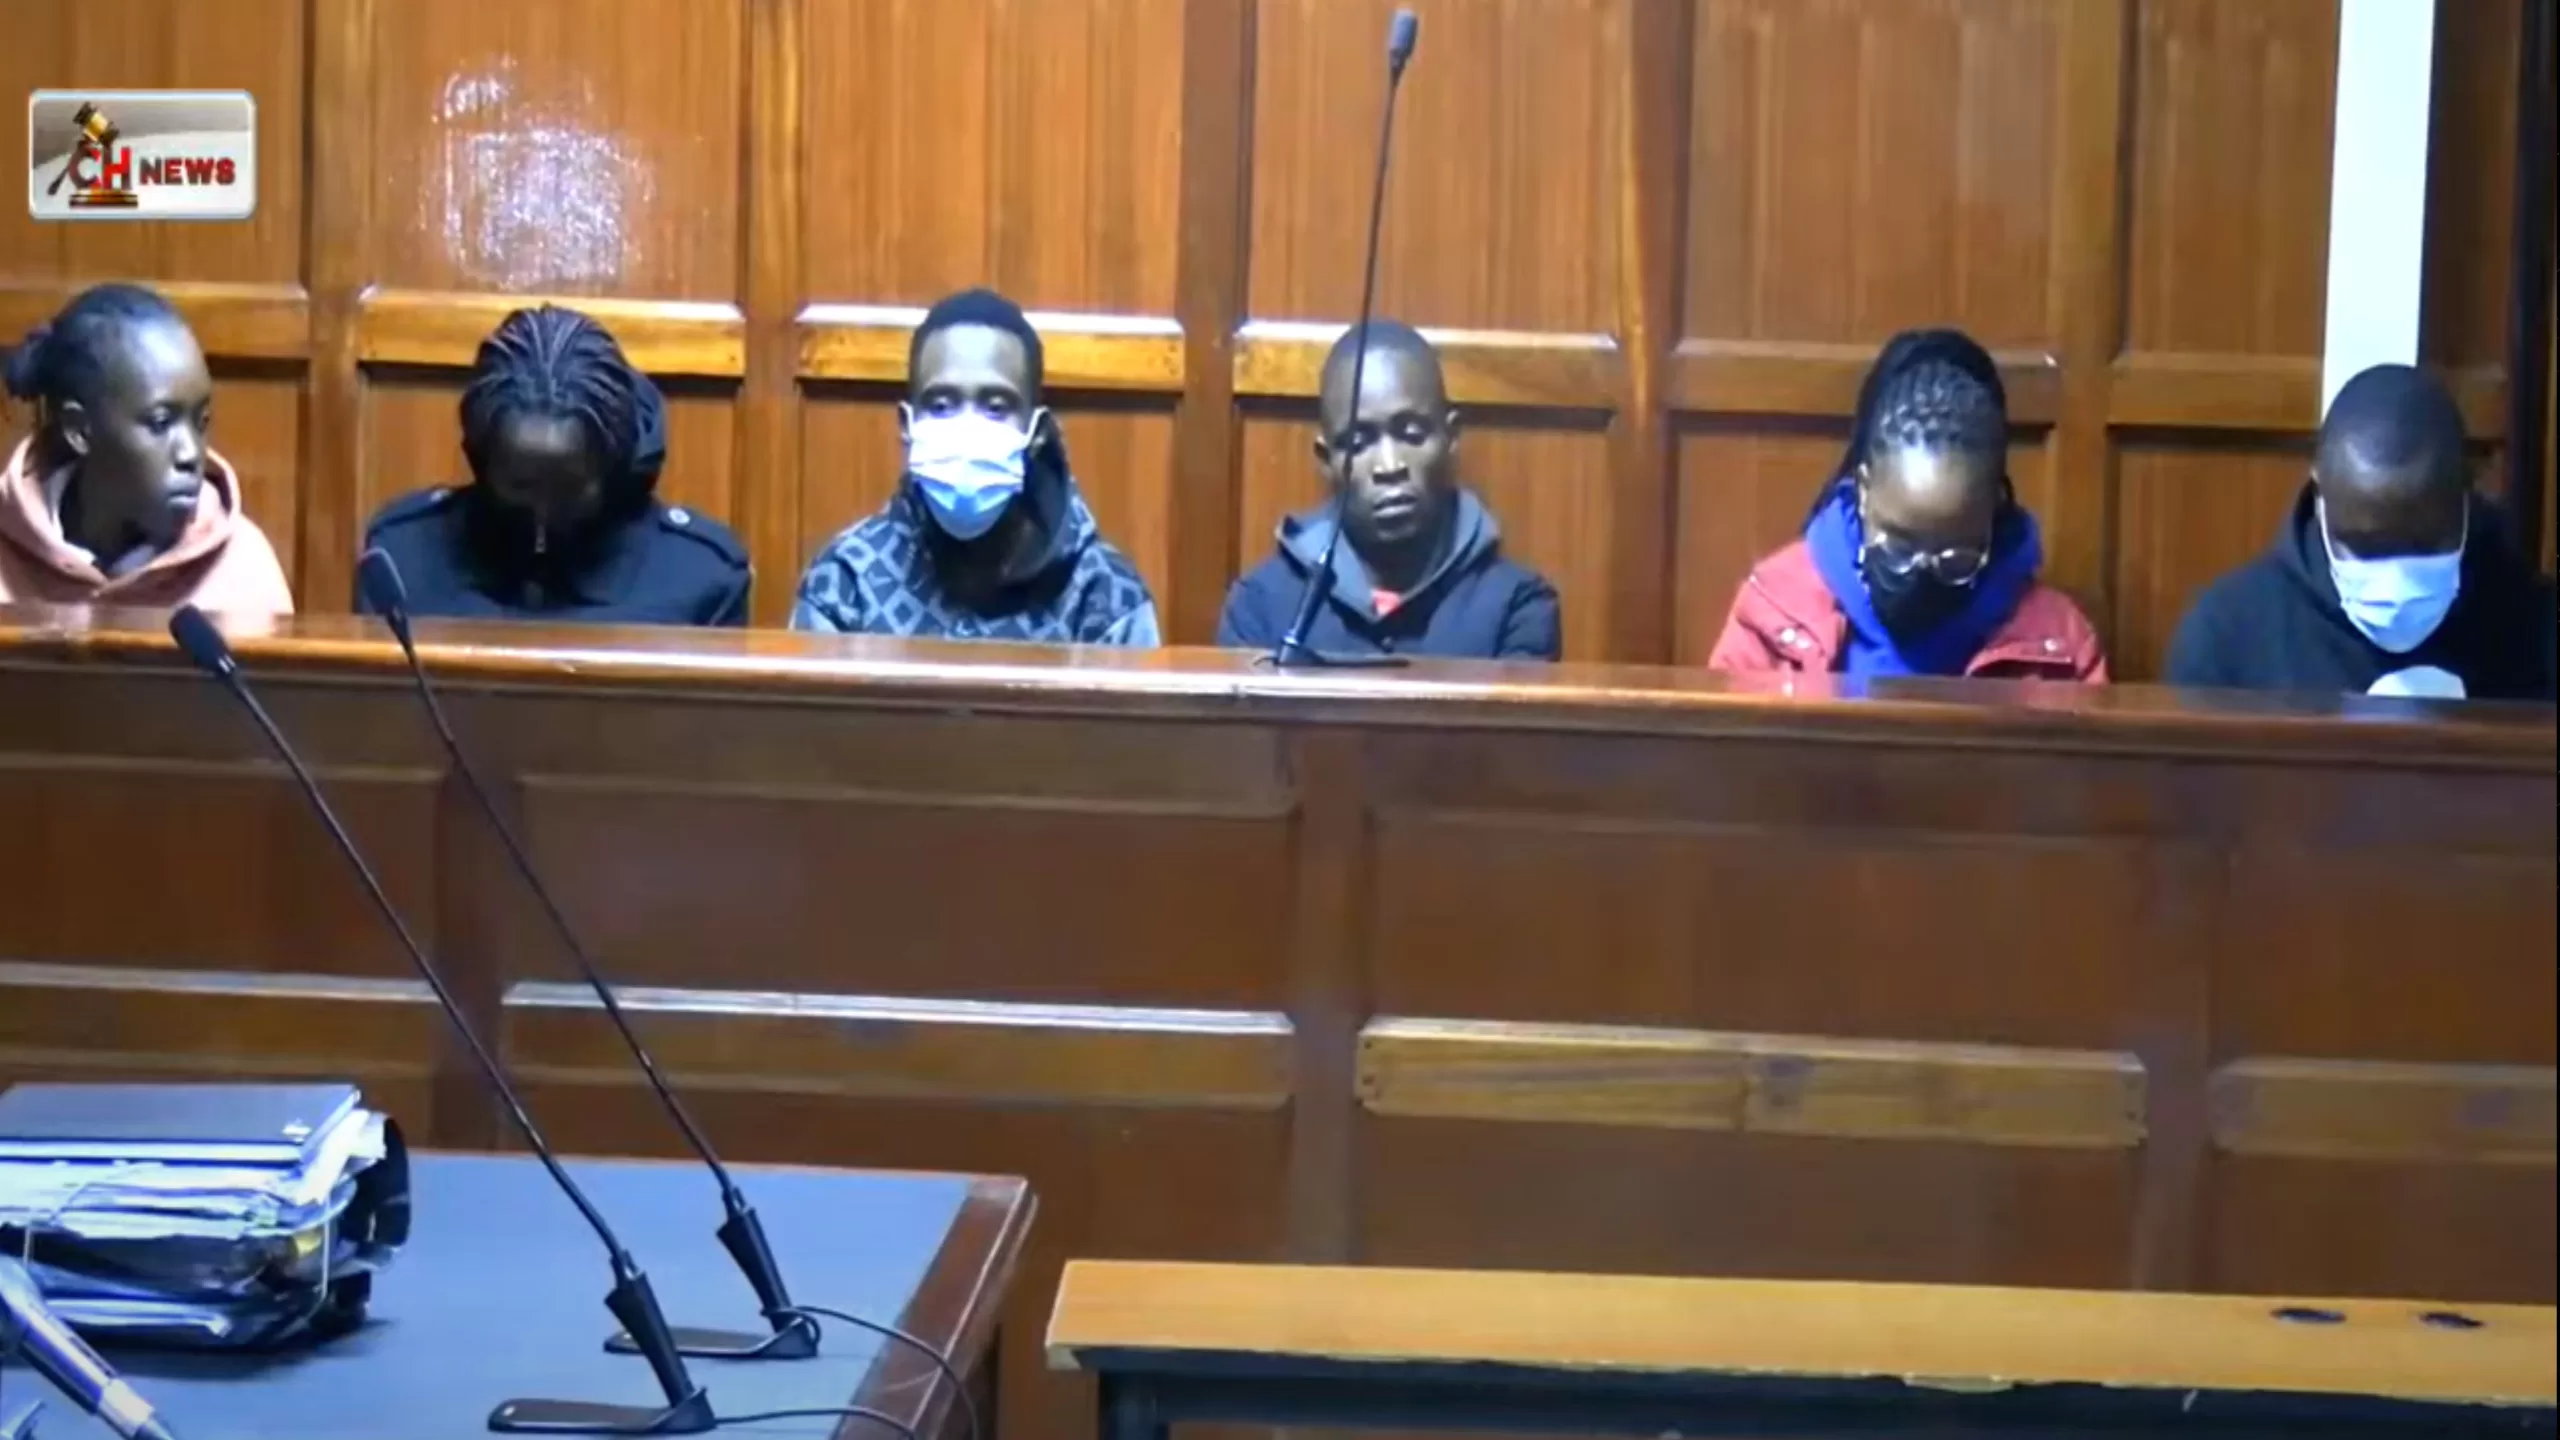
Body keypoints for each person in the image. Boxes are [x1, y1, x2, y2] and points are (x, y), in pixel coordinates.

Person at [1708, 328, 2105, 681]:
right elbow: (1719, 758)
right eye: (1898, 546)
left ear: (1993, 513)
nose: (1921, 574)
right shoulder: (1772, 614)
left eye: (1955, 558)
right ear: (1863, 490)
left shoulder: (2062, 649)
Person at [2166, 364, 2555, 701]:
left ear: (2468, 489)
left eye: (2425, 546)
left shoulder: (2538, 632)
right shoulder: (2227, 638)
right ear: (2321, 495)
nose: (2396, 582)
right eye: (2363, 548)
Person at [790, 288, 1157, 645]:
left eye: (996, 407)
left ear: (1037, 433)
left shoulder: (1106, 597)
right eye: (941, 405)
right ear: (907, 425)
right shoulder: (845, 583)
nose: (967, 426)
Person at [359, 305, 749, 625]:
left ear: (612, 467)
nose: (541, 509)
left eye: (568, 489)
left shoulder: (704, 578)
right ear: (481, 458)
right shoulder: (401, 556)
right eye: (520, 485)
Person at [1216, 320, 1560, 659]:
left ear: (1450, 437)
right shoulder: (1258, 606)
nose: (1390, 465)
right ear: (1327, 459)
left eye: (1411, 435)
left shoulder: (1517, 606)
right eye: (1359, 442)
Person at [0, 283, 292, 612]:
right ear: (79, 430)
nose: (191, 454)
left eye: (201, 422)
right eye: (161, 422)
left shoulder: (244, 569)